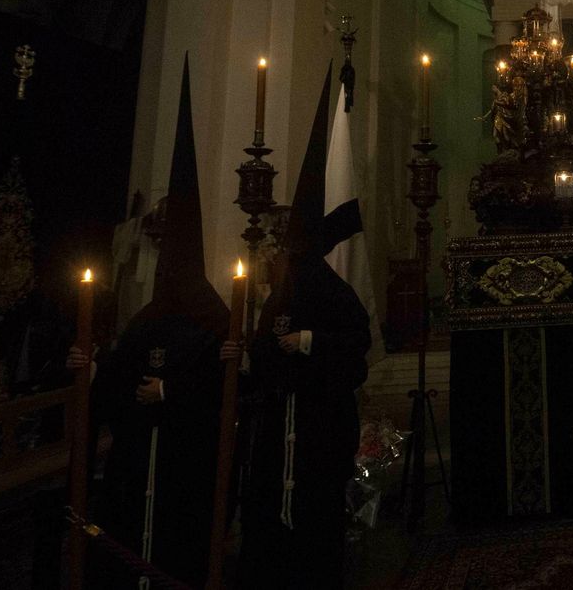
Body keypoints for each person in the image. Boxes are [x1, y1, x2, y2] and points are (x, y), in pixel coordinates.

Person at [66, 60, 228, 588]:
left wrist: (172, 390)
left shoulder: (212, 316)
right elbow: (113, 383)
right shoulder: (145, 322)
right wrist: (88, 371)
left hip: (185, 462)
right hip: (138, 465)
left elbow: (228, 385)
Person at [228, 68, 371, 588]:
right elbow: (263, 353)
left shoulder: (334, 292)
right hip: (277, 424)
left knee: (315, 514)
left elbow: (357, 347)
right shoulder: (281, 296)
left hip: (318, 424)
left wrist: (310, 343)